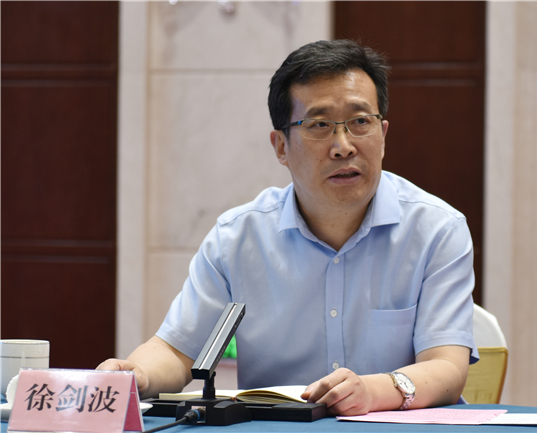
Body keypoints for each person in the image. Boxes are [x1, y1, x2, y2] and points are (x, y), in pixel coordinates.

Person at [98, 39, 478, 416]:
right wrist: (137, 374)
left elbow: (447, 367)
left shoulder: (436, 230)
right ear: (281, 146)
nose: (343, 146)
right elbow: (176, 350)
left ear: (383, 136)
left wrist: (373, 390)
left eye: (361, 122)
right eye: (319, 124)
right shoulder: (237, 239)